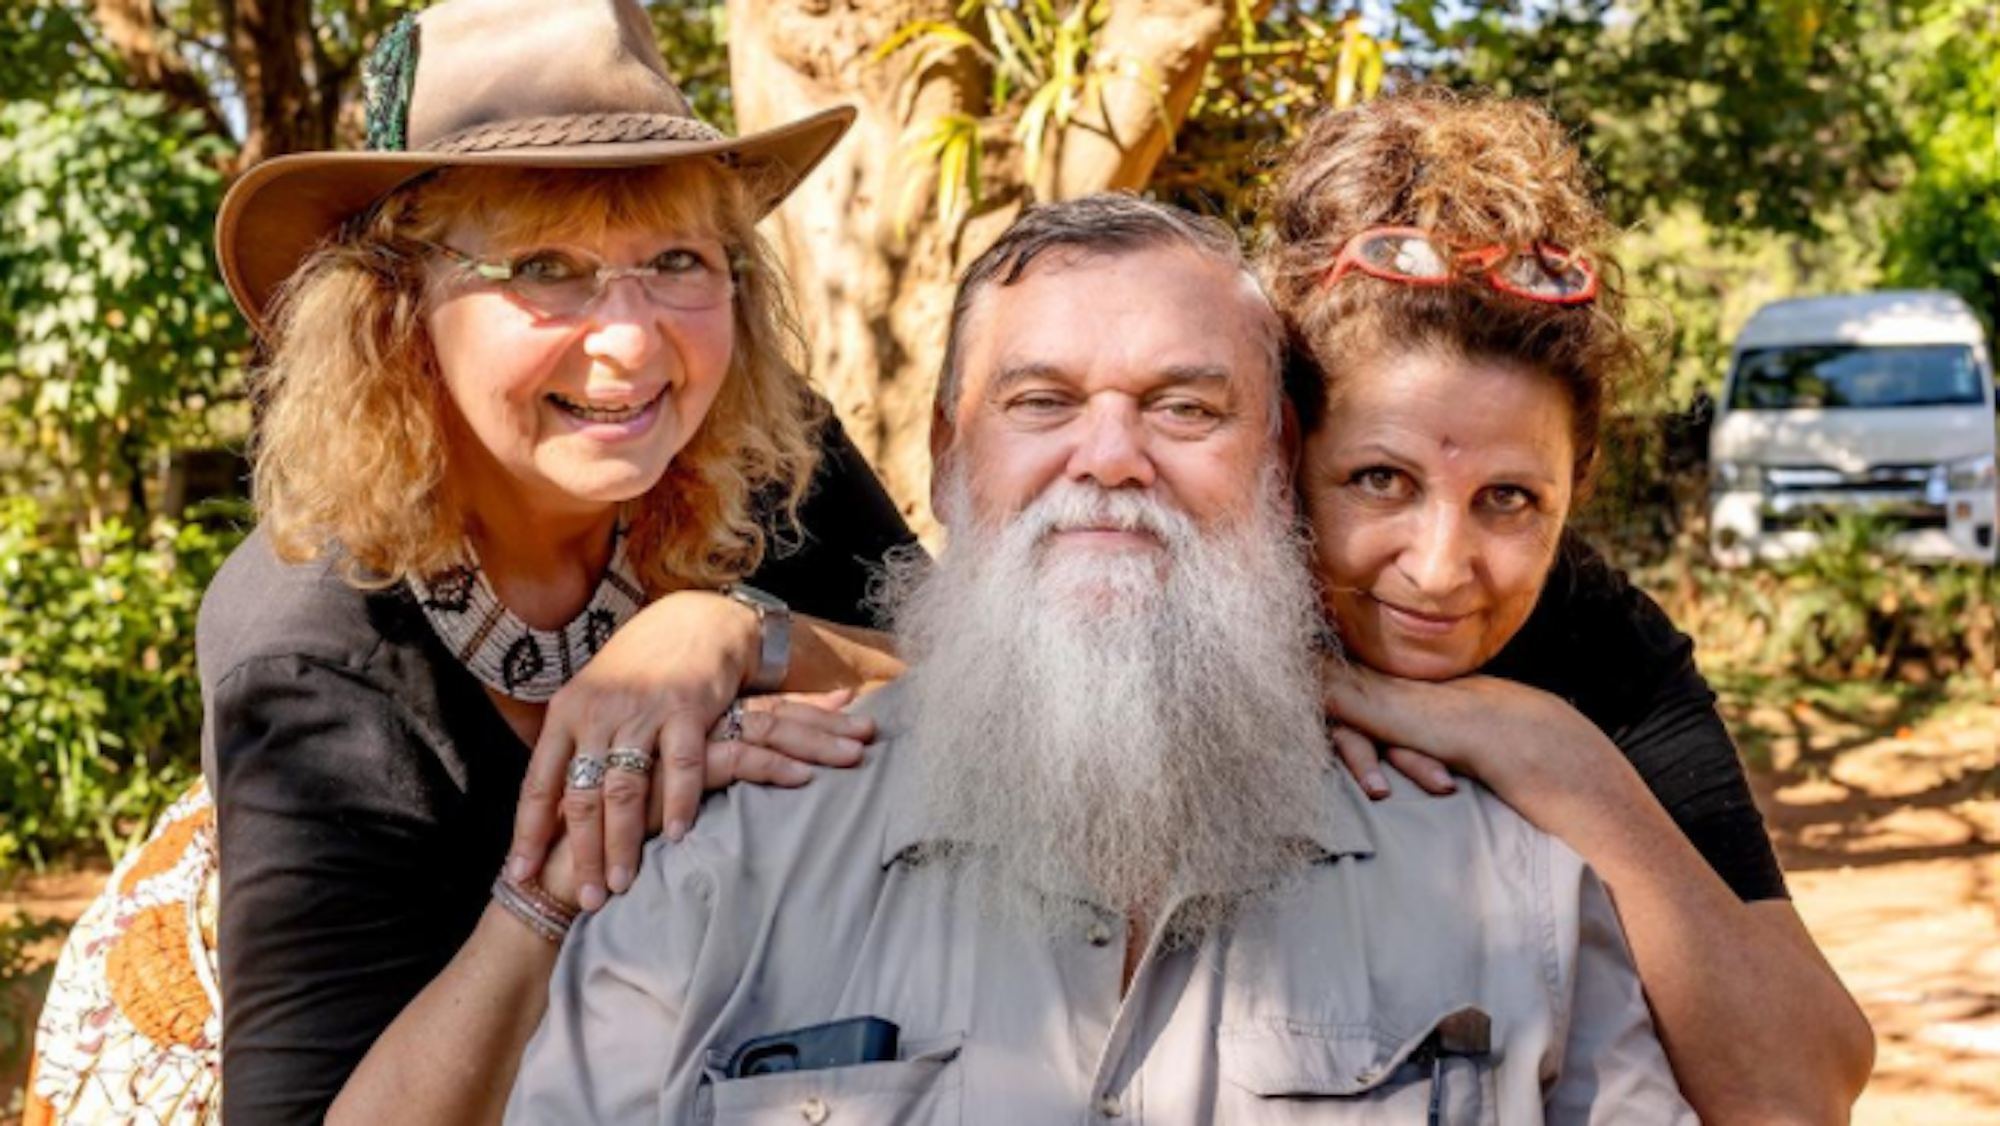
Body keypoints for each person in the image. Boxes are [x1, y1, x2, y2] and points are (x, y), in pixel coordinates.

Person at [507, 194, 1695, 1124]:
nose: (1111, 456)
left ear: (1276, 461)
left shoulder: (1513, 890)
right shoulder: (717, 868)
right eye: (1041, 401)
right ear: (946, 460)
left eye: (1185, 408)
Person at [26, 1, 911, 1124]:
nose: (631, 342)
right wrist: (550, 884)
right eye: (546, 267)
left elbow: (997, 692)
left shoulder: (772, 456)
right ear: (398, 307)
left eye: (678, 259)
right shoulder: (312, 650)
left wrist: (744, 638)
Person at [1261, 89, 1874, 1123]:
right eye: (1379, 480)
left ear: (1575, 484)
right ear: (1286, 454)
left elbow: (1800, 1088)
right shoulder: (1181, 579)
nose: (1439, 569)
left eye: (1508, 499)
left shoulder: (1599, 636)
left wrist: (1553, 753)